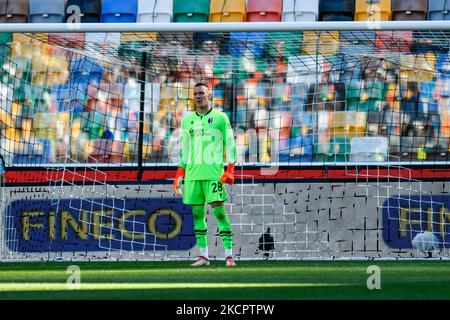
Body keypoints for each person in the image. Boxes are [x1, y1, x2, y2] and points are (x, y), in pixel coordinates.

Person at [173, 83, 237, 267]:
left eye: (202, 93)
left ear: (210, 95)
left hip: (213, 174)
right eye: (195, 94)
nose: (198, 96)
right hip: (193, 175)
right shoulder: (187, 120)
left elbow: (230, 143)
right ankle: (203, 256)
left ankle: (229, 256)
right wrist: (179, 173)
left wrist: (230, 169)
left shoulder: (220, 117)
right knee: (197, 214)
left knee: (219, 212)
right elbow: (185, 149)